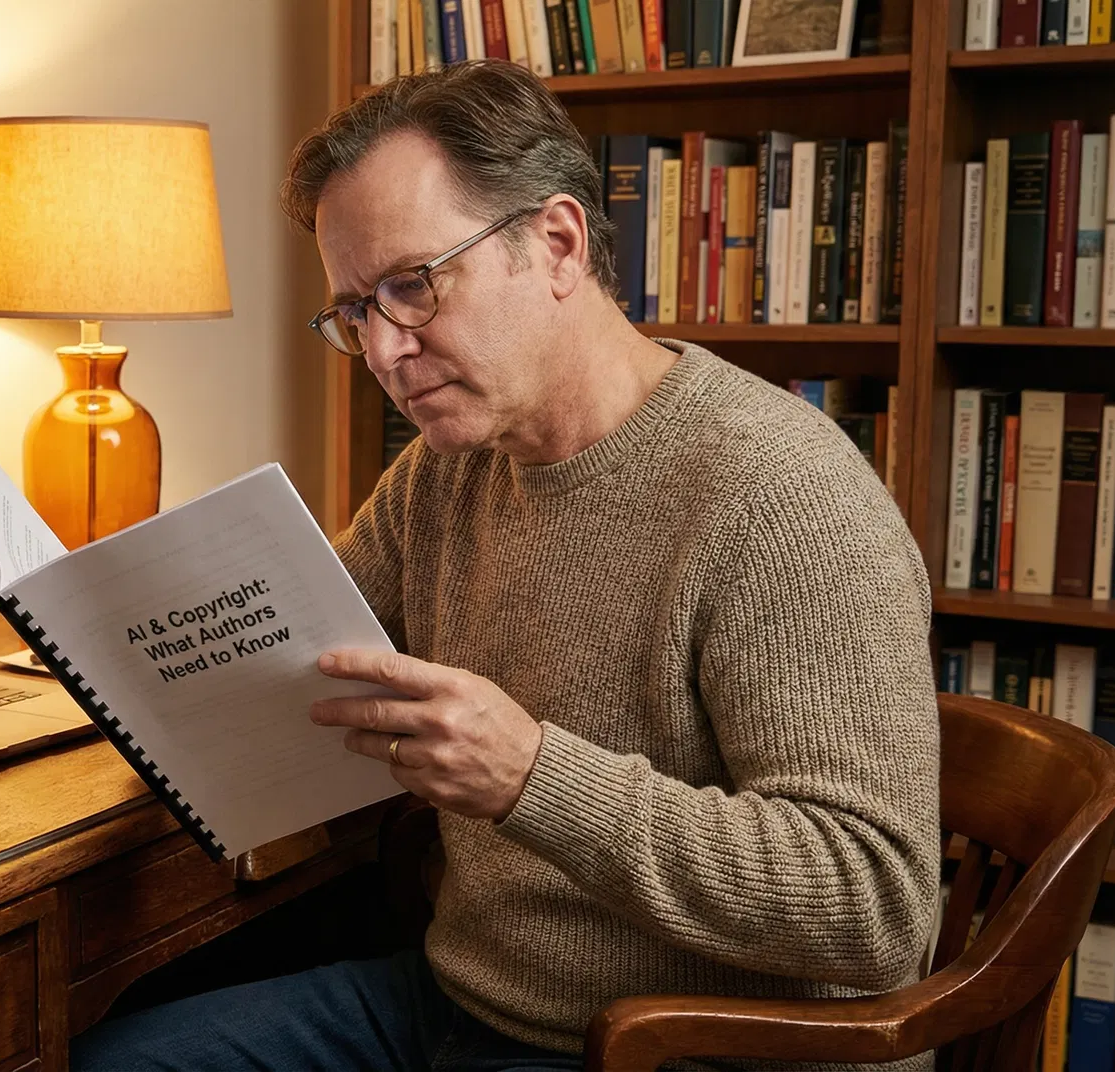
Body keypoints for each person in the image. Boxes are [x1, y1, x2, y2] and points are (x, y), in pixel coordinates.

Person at [70, 58, 940, 1072]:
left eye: (413, 286)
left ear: (558, 243)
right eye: (354, 311)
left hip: (677, 1047)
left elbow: (877, 904)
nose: (387, 351)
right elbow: (300, 666)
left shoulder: (782, 496)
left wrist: (534, 775)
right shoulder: (444, 474)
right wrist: (125, 630)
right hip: (462, 999)